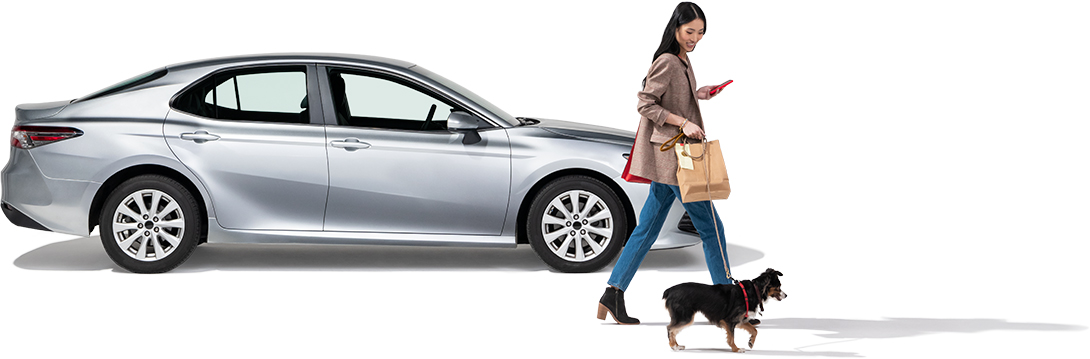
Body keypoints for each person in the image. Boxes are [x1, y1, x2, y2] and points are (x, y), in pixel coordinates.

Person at [596, 1, 734, 325]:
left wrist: (698, 94)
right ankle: (728, 304)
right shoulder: (668, 61)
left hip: (668, 162)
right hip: (675, 161)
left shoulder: (681, 60)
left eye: (700, 32)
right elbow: (645, 102)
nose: (695, 38)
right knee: (712, 229)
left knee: (646, 230)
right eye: (690, 31)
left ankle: (612, 293)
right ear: (676, 28)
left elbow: (670, 96)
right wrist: (683, 122)